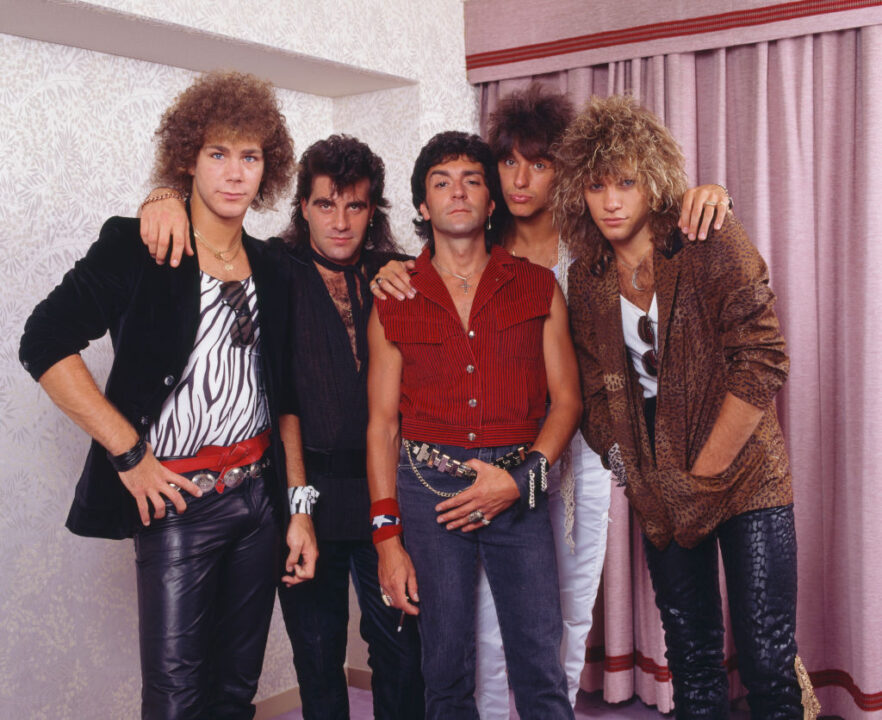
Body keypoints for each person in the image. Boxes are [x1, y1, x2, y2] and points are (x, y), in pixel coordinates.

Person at [370, 83, 732, 715]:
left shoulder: (593, 235)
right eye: (507, 161)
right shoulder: (449, 260)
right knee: (467, 633)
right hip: (461, 461)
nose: (519, 177)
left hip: (575, 450)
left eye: (539, 163)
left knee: (560, 612)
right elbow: (385, 413)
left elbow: (659, 221)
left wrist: (711, 194)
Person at [19, 71, 318, 720]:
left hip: (260, 503)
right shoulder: (139, 244)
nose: (235, 173)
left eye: (250, 156)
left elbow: (288, 399)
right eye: (218, 153)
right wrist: (129, 455)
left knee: (236, 695)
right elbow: (42, 342)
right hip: (178, 503)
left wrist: (300, 509)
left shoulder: (276, 269)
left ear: (268, 167)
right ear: (188, 157)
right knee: (178, 702)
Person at [138, 135, 425, 720]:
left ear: (375, 212)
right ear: (301, 207)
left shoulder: (396, 274)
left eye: (356, 206)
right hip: (302, 493)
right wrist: (163, 192)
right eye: (325, 205)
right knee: (317, 659)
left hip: (385, 491)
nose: (340, 222)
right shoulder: (270, 268)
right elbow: (206, 233)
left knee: (401, 651)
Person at [555, 94, 816, 719]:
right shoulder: (585, 278)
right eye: (596, 185)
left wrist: (702, 476)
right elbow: (593, 396)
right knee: (693, 666)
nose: (612, 200)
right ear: (579, 193)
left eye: (626, 181)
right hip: (654, 482)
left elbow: (762, 360)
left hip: (744, 470)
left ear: (654, 181)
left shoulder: (705, 237)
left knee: (767, 662)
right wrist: (632, 472)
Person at [366, 130, 580, 719]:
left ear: (491, 203)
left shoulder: (537, 286)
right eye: (440, 182)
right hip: (427, 490)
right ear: (421, 206)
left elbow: (567, 402)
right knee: (444, 665)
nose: (456, 192)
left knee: (539, 659)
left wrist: (522, 481)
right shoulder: (393, 296)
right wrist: (386, 537)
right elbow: (382, 424)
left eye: (471, 180)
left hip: (519, 486)